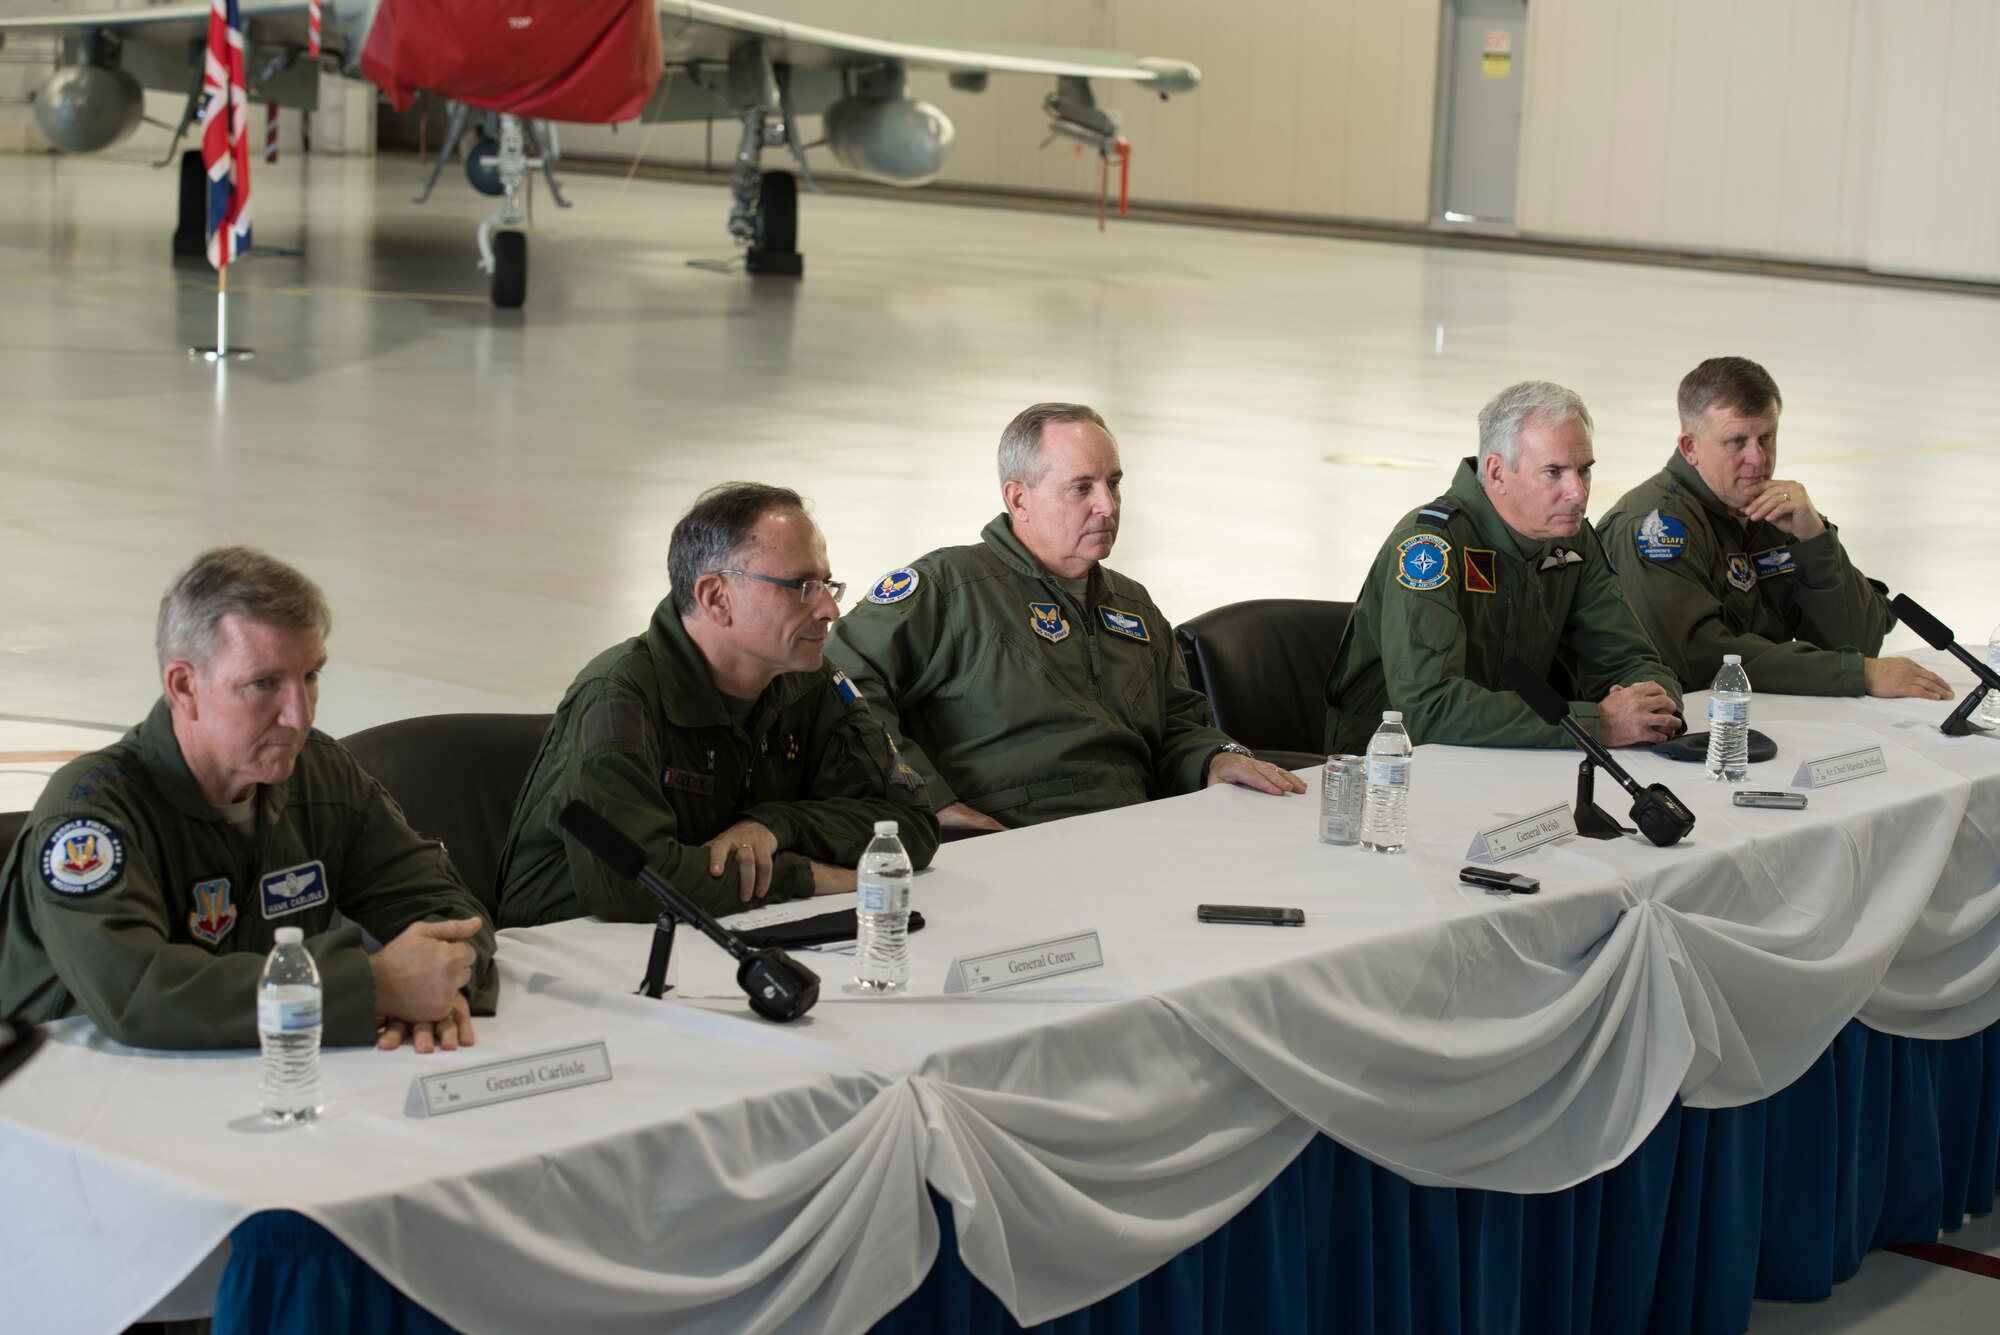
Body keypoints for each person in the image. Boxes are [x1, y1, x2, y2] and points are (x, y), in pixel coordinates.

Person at [0, 547, 496, 1053]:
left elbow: (443, 906)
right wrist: (373, 987)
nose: (299, 716)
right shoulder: (90, 815)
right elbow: (140, 995)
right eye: (264, 683)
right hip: (68, 1097)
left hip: (255, 1072)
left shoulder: (322, 774)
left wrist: (442, 980)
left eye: (310, 676)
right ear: (185, 686)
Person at [824, 402, 1307, 832]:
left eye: (1113, 483)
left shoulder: (1132, 605)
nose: (1108, 506)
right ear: (1019, 499)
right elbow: (840, 682)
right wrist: (925, 798)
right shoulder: (950, 586)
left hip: (1134, 827)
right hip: (1012, 834)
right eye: (1082, 488)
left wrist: (1215, 758)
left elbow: (1176, 722)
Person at [497, 483, 938, 927]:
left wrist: (777, 826)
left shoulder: (809, 681)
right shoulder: (619, 696)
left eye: (826, 584)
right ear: (716, 597)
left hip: (724, 928)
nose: (828, 609)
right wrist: (797, 874)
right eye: (802, 586)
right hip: (572, 949)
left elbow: (911, 829)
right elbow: (629, 884)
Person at [1325, 381, 1684, 752]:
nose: (1578, 492)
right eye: (1553, 472)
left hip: (1510, 755)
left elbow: (1630, 659)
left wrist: (1653, 706)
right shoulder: (1431, 547)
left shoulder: (1570, 538)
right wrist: (1597, 724)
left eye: (1584, 470)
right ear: (1497, 473)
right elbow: (1428, 709)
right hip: (1392, 768)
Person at [1596, 357, 1951, 700]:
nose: (1758, 459)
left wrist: (1814, 539)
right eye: (1738, 441)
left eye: (1767, 438)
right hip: (1689, 732)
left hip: (1769, 716)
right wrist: (1856, 674)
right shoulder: (1653, 528)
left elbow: (1858, 641)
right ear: (1690, 448)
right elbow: (1700, 659)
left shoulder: (1775, 514)